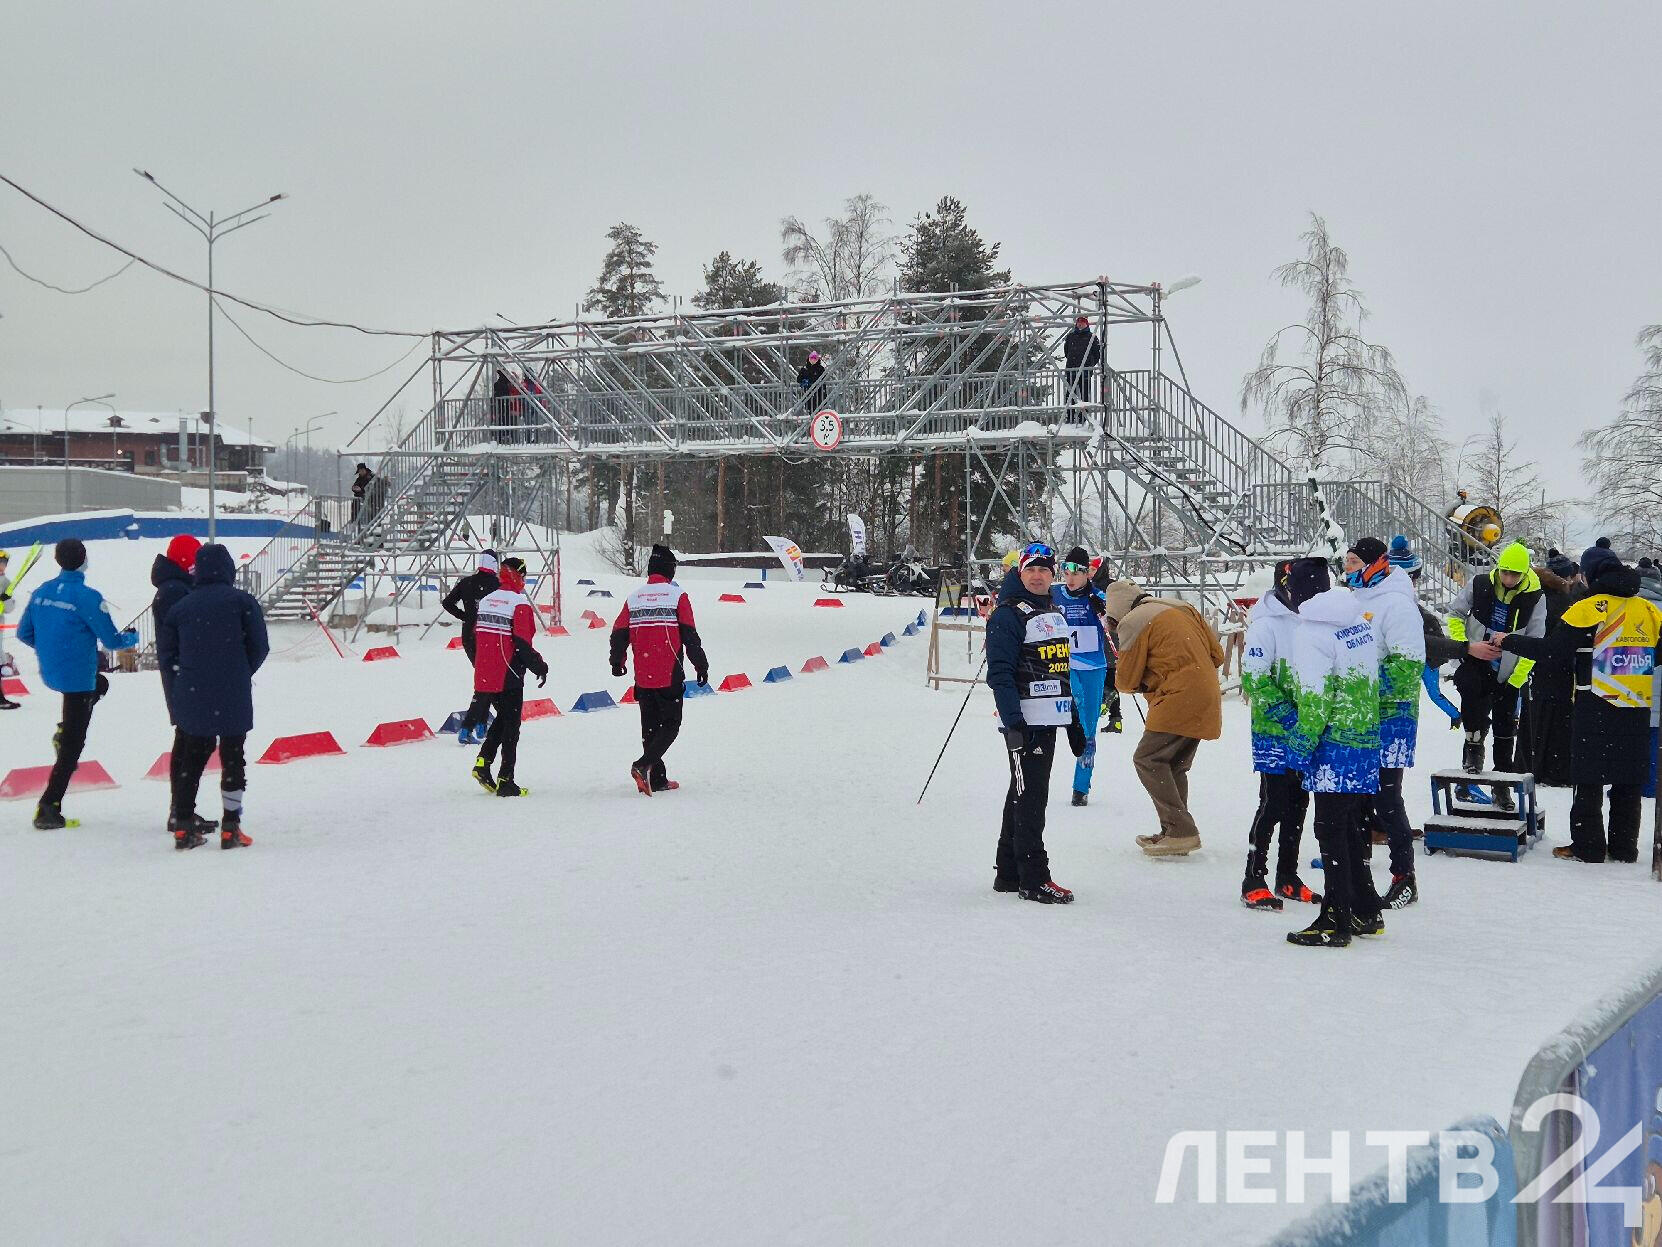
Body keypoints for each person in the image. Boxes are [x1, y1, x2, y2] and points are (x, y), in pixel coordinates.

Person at [1496, 545, 1661, 863]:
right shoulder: (1648, 610)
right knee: (1627, 779)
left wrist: (1510, 640)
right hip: (1637, 704)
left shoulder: (1589, 608)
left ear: (1588, 574)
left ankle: (1588, 846)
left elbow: (1553, 651)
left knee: (1588, 778)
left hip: (1596, 703)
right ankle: (1624, 848)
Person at [1282, 557, 1383, 947]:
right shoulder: (1357, 621)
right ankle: (1365, 909)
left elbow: (1315, 701)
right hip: (1364, 738)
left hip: (1333, 747)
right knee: (1352, 826)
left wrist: (1298, 749)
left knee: (1329, 829)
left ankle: (1335, 919)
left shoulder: (1311, 633)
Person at [14, 539, 139, 829]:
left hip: (52, 672)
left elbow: (23, 633)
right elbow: (111, 641)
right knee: (74, 742)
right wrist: (131, 637)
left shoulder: (42, 591)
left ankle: (64, 732)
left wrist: (50, 649)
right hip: (78, 677)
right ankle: (48, 807)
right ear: (84, 560)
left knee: (101, 685)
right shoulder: (88, 597)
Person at [157, 544, 270, 849]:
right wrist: (240, 670)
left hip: (193, 692)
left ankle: (183, 825)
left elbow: (167, 654)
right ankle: (231, 826)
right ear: (228, 569)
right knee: (233, 758)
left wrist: (186, 677)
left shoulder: (181, 607)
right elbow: (260, 646)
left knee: (191, 759)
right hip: (233, 691)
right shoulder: (242, 602)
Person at [1103, 577, 1225, 857]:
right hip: (1206, 694)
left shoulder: (1132, 621)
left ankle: (1181, 831)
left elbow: (1126, 681)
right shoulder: (1182, 607)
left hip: (1177, 698)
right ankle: (1173, 832)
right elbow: (1217, 655)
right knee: (1173, 765)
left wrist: (1150, 677)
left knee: (1147, 759)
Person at [986, 543, 1074, 903]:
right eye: (1031, 570)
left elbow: (1060, 669)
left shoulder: (1052, 610)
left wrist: (1073, 720)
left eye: (1044, 570)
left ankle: (1008, 872)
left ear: (1052, 575)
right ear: (1019, 573)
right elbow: (1000, 674)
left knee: (1022, 793)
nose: (1037, 576)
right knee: (1032, 799)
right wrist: (1013, 723)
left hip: (1050, 718)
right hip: (1026, 722)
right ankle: (1034, 878)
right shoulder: (1008, 615)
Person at [1345, 537, 1426, 909]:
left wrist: (1365, 690)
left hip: (1391, 718)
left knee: (1386, 798)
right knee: (1358, 796)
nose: (1347, 568)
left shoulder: (1397, 604)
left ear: (1374, 563)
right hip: (1358, 715)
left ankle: (1404, 876)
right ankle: (1357, 868)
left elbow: (1408, 667)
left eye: (1353, 562)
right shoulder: (1356, 600)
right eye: (1346, 562)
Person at [1239, 560, 1316, 911]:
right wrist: (1290, 717)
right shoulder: (1265, 624)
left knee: (1299, 802)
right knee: (1273, 803)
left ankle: (1288, 875)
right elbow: (1255, 679)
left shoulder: (1310, 620)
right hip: (1273, 731)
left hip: (1306, 732)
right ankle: (1254, 877)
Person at [1446, 541, 1545, 811]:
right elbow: (1455, 614)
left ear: (1525, 573)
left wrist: (1516, 679)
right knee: (1470, 696)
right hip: (1475, 659)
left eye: (1515, 574)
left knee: (1505, 726)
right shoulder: (1480, 584)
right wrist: (1466, 647)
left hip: (1509, 670)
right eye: (1505, 572)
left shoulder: (1535, 596)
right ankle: (1473, 747)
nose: (1509, 578)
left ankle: (1502, 786)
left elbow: (1535, 641)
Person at [610, 544, 709, 795]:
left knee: (650, 728)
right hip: (669, 672)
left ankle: (657, 779)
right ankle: (643, 765)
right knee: (671, 725)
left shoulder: (634, 598)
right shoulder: (677, 596)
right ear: (669, 570)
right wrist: (700, 664)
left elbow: (619, 633)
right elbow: (689, 634)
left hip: (643, 675)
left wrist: (617, 661)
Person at [469, 556, 547, 797]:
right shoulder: (518, 603)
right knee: (511, 727)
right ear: (520, 576)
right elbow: (522, 643)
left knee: (503, 719)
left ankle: (483, 763)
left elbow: (475, 635)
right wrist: (539, 666)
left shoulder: (487, 600)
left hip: (485, 672)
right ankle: (506, 780)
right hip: (508, 673)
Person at [1517, 552, 1586, 787]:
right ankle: (1554, 769)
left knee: (1532, 717)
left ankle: (1528, 764)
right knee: (1557, 721)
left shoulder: (1532, 597)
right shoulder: (1566, 602)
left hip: (1532, 665)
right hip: (1558, 668)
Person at [1051, 546, 1109, 806]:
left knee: (1089, 728)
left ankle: (1081, 787)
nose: (1070, 578)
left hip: (1094, 667)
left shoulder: (1098, 596)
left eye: (1076, 573)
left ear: (1088, 574)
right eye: (1066, 572)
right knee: (1077, 704)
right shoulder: (1055, 594)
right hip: (1067, 665)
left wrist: (1104, 612)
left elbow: (1116, 626)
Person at [443, 550, 501, 745]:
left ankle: (481, 725)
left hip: (469, 636)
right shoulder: (497, 585)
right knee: (487, 683)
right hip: (489, 637)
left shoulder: (466, 582)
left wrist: (466, 617)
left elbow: (447, 603)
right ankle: (473, 727)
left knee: (484, 680)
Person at [149, 533, 202, 726]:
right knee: (190, 732)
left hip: (183, 674)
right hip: (184, 676)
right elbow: (185, 635)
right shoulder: (174, 591)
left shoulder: (178, 587)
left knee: (191, 732)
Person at [1062, 315, 1102, 408]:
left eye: (1082, 323)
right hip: (1072, 369)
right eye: (1078, 323)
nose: (1080, 325)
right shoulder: (1071, 336)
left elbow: (1097, 354)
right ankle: (1070, 413)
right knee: (1070, 394)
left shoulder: (1092, 337)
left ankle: (1083, 414)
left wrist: (1089, 363)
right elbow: (1067, 351)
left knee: (1085, 394)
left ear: (1086, 325)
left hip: (1085, 371)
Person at [0, 549, 17, 711]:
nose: (1, 566)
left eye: (4, 563)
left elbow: (9, 608)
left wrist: (6, 600)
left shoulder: (6, 582)